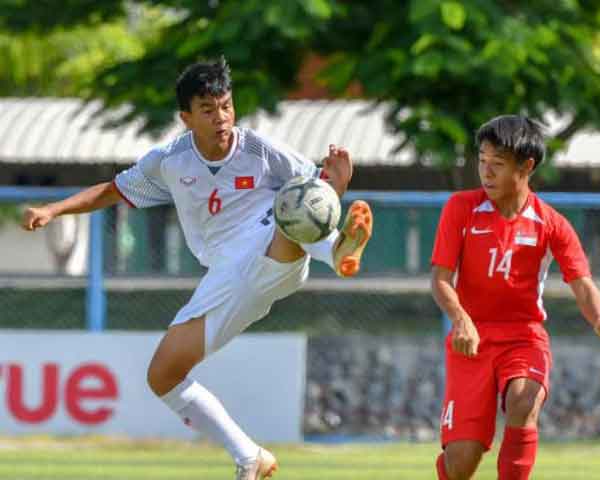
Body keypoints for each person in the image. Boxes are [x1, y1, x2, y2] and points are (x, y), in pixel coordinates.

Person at [22, 57, 373, 480]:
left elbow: (312, 192)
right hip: (229, 276)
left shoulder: (261, 150)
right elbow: (113, 191)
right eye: (208, 110)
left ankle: (338, 251)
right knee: (163, 376)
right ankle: (250, 457)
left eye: (226, 106)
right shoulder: (169, 161)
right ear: (186, 117)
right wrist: (54, 209)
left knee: (295, 206)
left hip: (272, 244)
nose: (221, 117)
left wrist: (333, 185)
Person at [430, 114, 600, 480]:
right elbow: (439, 279)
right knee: (461, 463)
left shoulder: (551, 223)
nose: (486, 172)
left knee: (523, 399)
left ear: (526, 166)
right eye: (482, 162)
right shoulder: (460, 208)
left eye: (497, 165)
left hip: (524, 337)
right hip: (471, 341)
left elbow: (581, 282)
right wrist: (461, 319)